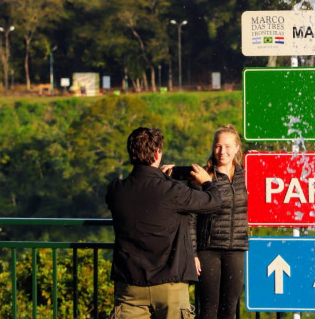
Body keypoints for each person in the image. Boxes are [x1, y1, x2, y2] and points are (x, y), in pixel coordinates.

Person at [107, 126, 222, 319]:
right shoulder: (172, 191)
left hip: (130, 284)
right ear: (157, 153)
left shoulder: (115, 190)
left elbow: (145, 198)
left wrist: (161, 179)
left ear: (131, 154)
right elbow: (214, 202)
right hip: (171, 283)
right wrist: (206, 182)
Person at [192, 124, 249, 319]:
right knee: (208, 310)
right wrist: (193, 254)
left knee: (229, 310)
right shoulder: (204, 177)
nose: (222, 151)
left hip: (236, 249)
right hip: (208, 250)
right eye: (218, 146)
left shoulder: (246, 176)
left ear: (236, 148)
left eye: (227, 146)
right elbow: (192, 218)